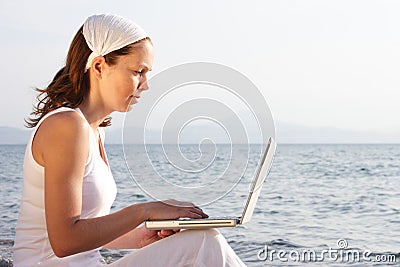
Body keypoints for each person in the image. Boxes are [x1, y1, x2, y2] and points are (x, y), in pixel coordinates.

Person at [13, 14, 246, 267]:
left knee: (201, 237)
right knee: (204, 243)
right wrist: (144, 211)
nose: (145, 85)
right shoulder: (66, 126)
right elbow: (65, 242)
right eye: (138, 72)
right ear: (99, 66)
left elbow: (85, 229)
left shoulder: (93, 131)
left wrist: (142, 236)